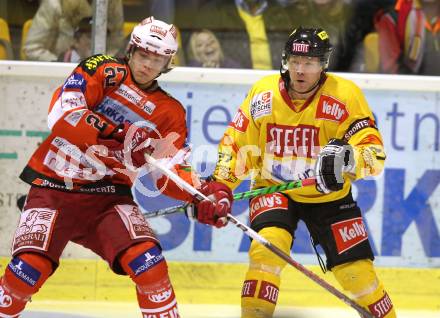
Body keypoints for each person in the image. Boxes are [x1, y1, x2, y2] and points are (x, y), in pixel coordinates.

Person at [0, 16, 232, 317]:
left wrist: (202, 194)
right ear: (131, 49)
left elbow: (171, 168)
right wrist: (117, 132)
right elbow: (62, 112)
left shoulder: (169, 112)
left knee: (150, 266)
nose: (148, 65)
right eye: (143, 55)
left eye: (157, 59)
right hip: (55, 187)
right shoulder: (103, 69)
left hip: (109, 198)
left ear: (168, 63)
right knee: (25, 274)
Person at [210, 27, 396, 317]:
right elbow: (236, 143)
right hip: (273, 189)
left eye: (309, 63)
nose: (300, 70)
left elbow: (374, 152)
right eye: (295, 61)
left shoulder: (345, 95)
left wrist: (348, 159)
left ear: (323, 64)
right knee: (265, 253)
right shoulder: (264, 94)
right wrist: (220, 186)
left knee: (358, 275)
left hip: (329, 197)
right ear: (285, 61)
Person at [23, 0, 124, 61]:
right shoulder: (54, 3)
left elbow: (116, 44)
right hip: (60, 73)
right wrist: (60, 63)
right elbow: (32, 49)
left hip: (101, 74)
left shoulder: (112, 3)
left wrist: (105, 66)